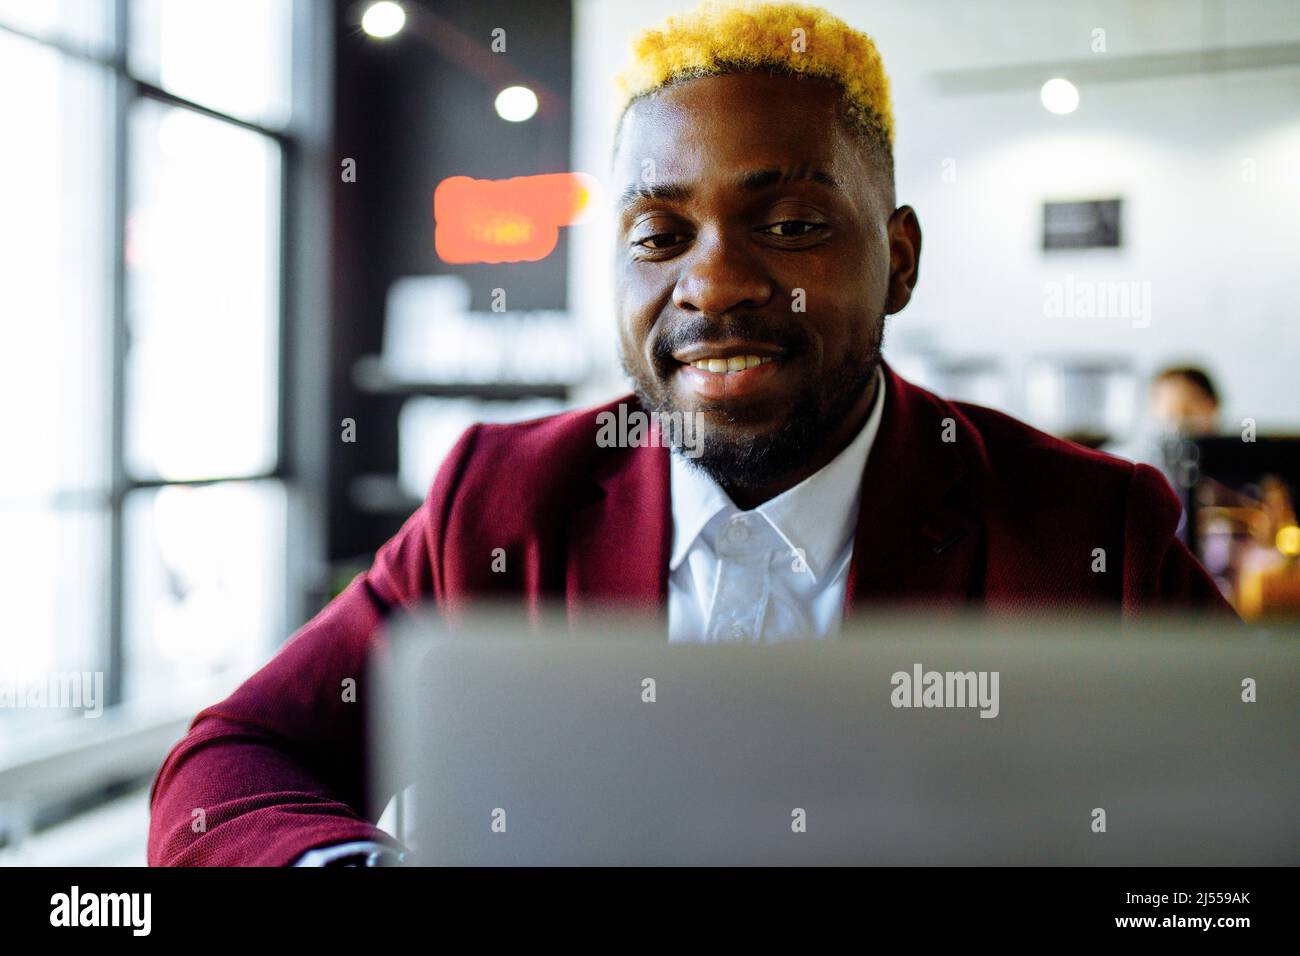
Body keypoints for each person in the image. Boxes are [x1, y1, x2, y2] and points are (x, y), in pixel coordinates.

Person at [148, 0, 1235, 867]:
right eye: (658, 233)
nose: (710, 282)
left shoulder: (1094, 529)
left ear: (897, 259)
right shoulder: (501, 499)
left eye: (793, 223)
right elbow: (231, 761)